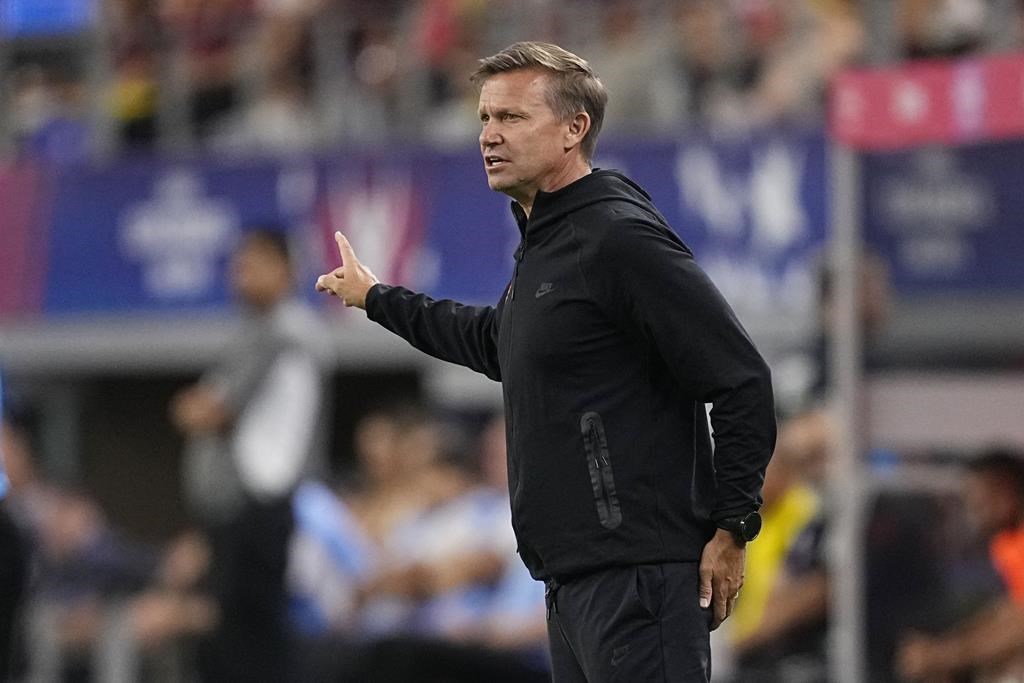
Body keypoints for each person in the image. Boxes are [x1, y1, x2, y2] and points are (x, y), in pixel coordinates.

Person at [316, 41, 776, 682]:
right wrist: (376, 298)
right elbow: (493, 342)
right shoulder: (548, 242)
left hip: (639, 576)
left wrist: (733, 527)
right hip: (574, 581)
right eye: (483, 118)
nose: (488, 136)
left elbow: (741, 379)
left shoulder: (616, 237)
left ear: (573, 129)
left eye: (510, 118)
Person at [171, 228, 327, 682]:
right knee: (230, 636)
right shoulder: (253, 332)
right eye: (238, 265)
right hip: (237, 516)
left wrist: (200, 409)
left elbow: (211, 411)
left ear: (285, 268)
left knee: (252, 640)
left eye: (253, 264)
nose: (241, 275)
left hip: (259, 511)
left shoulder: (286, 331)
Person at [897, 448, 1024, 681]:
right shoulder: (1004, 543)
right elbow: (1011, 609)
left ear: (1006, 490)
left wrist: (949, 654)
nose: (974, 513)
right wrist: (946, 646)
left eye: (981, 501)